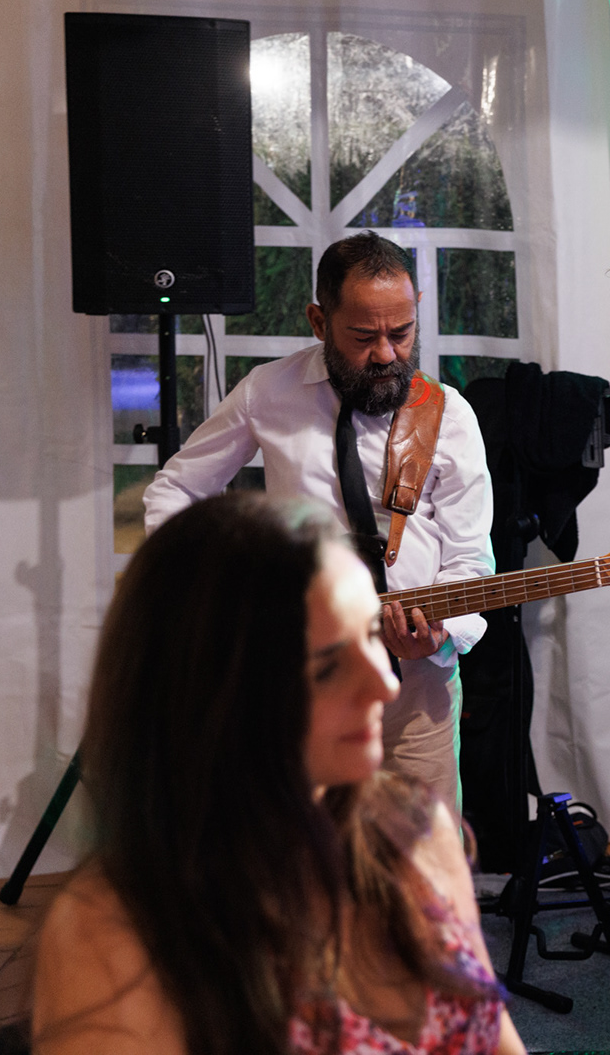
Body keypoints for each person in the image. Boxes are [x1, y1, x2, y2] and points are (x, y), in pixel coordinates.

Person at [30, 493, 524, 1054]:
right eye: (328, 667)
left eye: (370, 636)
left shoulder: (415, 830)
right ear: (217, 693)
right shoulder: (112, 931)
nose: (385, 684)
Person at [142, 232, 494, 814]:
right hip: (295, 677)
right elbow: (176, 488)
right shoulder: (267, 393)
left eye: (401, 333)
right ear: (318, 320)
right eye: (363, 337)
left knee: (419, 854)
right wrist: (210, 592)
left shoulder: (449, 415)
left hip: (417, 688)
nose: (386, 354)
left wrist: (439, 633)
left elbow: (470, 560)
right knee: (299, 848)